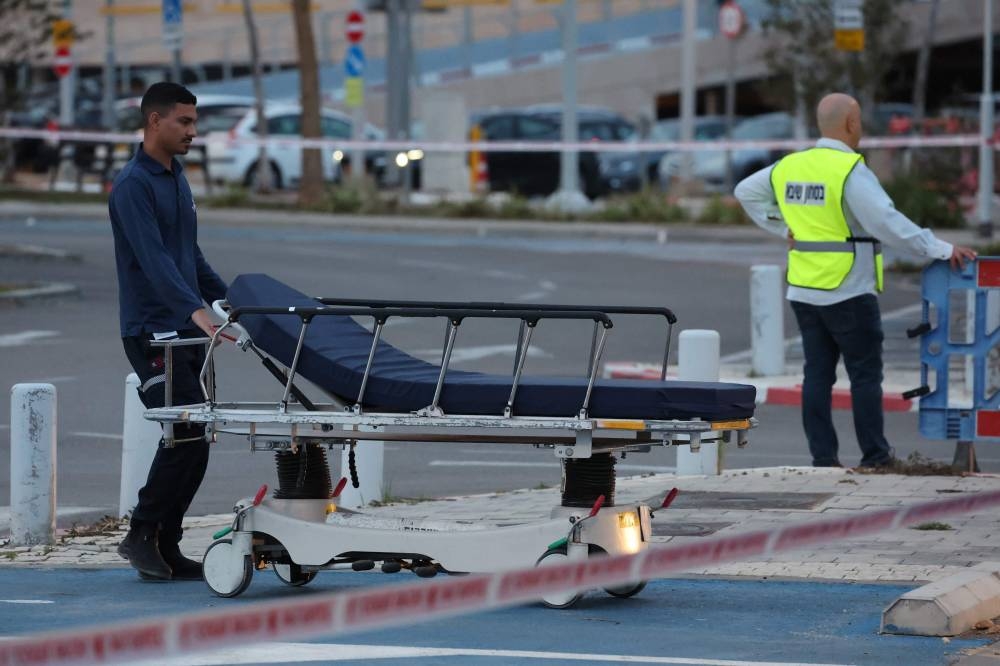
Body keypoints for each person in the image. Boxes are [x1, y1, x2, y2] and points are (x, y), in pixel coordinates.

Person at [734, 92, 977, 469]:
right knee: (864, 376)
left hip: (804, 287)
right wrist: (940, 248)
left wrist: (781, 227)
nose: (860, 127)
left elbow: (745, 191)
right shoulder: (849, 170)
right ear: (850, 124)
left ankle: (823, 459)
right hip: (848, 289)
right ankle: (875, 456)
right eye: (859, 120)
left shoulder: (791, 165)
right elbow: (887, 222)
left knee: (816, 376)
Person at [109, 82, 229, 580]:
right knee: (184, 433)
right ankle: (141, 533)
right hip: (151, 331)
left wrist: (228, 299)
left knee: (197, 436)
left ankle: (165, 541)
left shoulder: (176, 177)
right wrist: (193, 309)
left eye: (194, 123)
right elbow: (153, 261)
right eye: (183, 122)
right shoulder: (133, 185)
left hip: (186, 329)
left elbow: (187, 255)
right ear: (154, 121)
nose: (192, 133)